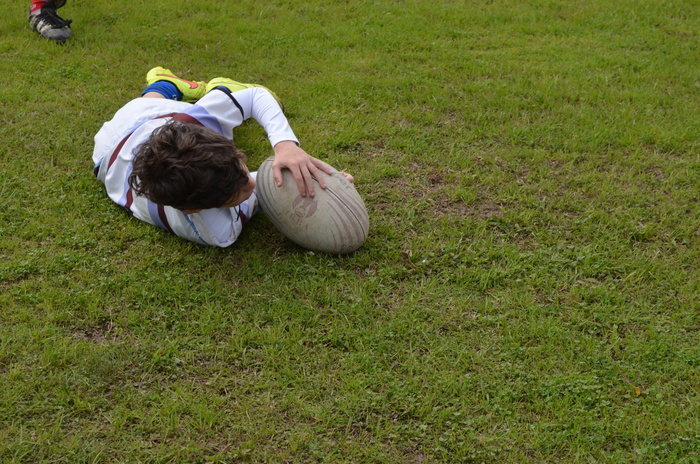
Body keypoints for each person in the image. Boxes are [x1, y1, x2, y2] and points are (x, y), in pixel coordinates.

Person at [92, 67, 345, 247]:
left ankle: (166, 84)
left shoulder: (191, 126)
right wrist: (322, 187)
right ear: (194, 209)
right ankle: (207, 88)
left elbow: (257, 96)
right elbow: (265, 190)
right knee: (170, 106)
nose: (251, 181)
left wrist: (286, 145)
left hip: (137, 118)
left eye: (241, 168)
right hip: (106, 157)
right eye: (237, 191)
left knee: (154, 104)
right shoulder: (218, 231)